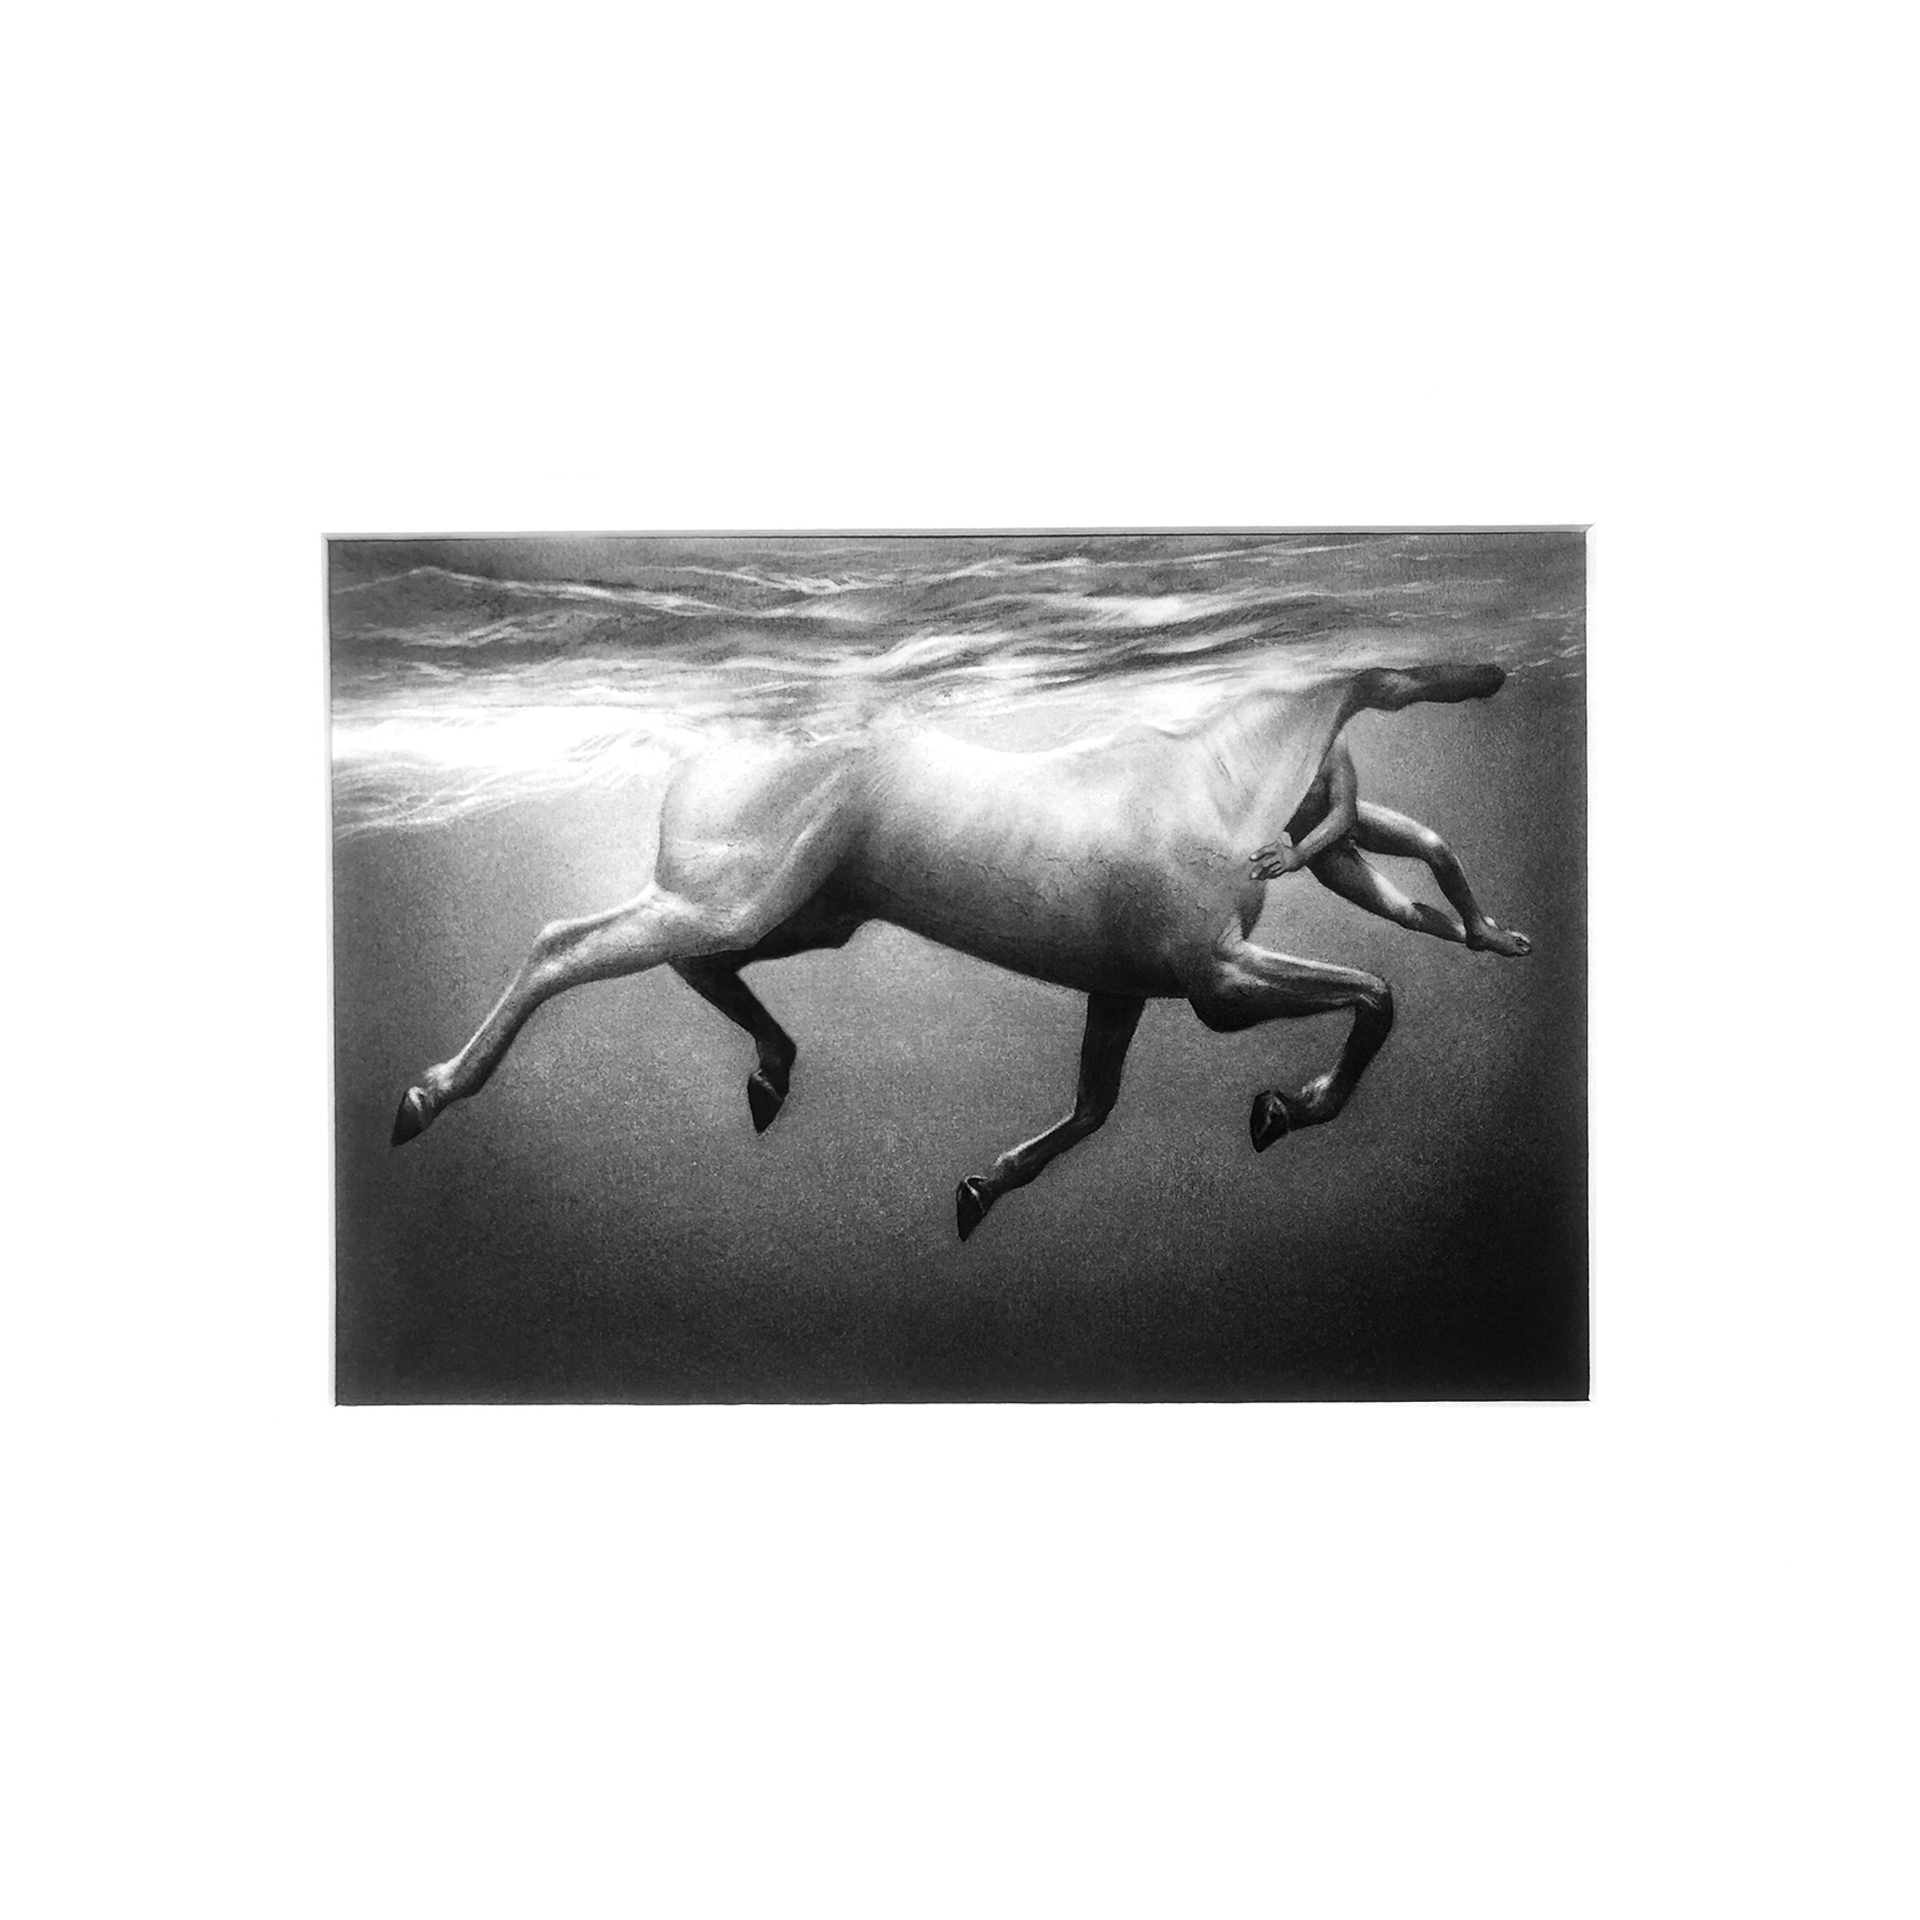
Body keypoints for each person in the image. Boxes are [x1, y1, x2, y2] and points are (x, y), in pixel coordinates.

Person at [1251, 738, 1532, 956]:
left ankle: (1477, 924)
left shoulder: (1329, 732)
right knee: (1405, 913)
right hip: (1323, 855)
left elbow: (1344, 812)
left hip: (1351, 821)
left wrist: (1297, 854)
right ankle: (1465, 934)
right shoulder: (1251, 751)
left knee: (1436, 848)